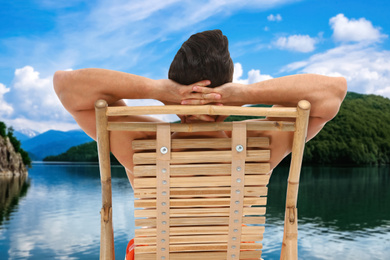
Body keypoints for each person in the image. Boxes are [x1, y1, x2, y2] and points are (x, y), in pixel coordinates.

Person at [53, 29, 347, 259]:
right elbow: (333, 92)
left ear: (174, 96)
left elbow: (65, 85)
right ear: (228, 89)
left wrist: (155, 89)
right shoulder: (259, 141)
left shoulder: (142, 140)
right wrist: (244, 94)